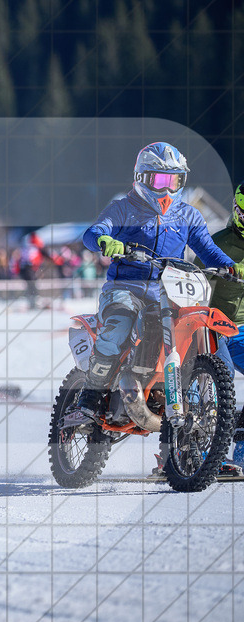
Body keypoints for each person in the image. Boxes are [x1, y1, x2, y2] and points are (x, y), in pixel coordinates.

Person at [74, 142, 244, 423]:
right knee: (119, 327)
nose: (167, 189)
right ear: (142, 178)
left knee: (188, 334)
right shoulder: (123, 208)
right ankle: (89, 397)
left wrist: (228, 265)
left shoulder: (188, 215)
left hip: (169, 291)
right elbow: (93, 232)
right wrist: (105, 241)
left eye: (174, 181)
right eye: (160, 180)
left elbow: (207, 249)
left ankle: (183, 404)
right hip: (125, 289)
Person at [199, 183, 244, 471]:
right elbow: (190, 279)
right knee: (219, 377)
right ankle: (196, 449)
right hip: (212, 325)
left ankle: (242, 448)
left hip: (241, 329)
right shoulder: (218, 243)